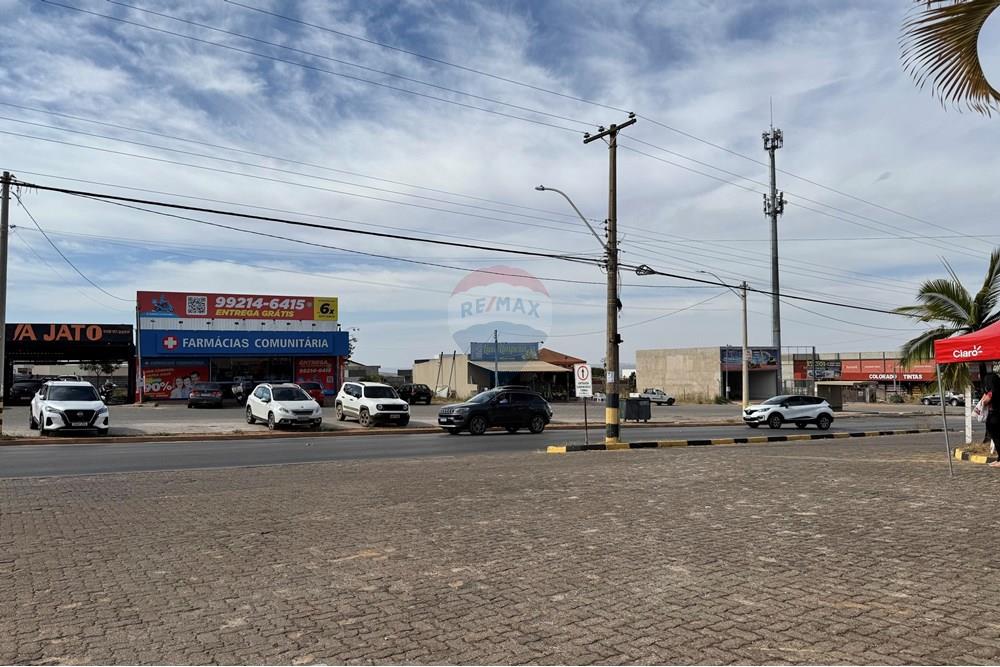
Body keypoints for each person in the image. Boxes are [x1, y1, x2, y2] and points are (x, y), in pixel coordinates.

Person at [982, 374, 1000, 467]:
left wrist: (985, 394)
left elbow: (984, 402)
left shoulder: (991, 392)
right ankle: (998, 459)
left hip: (994, 417)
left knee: (997, 439)